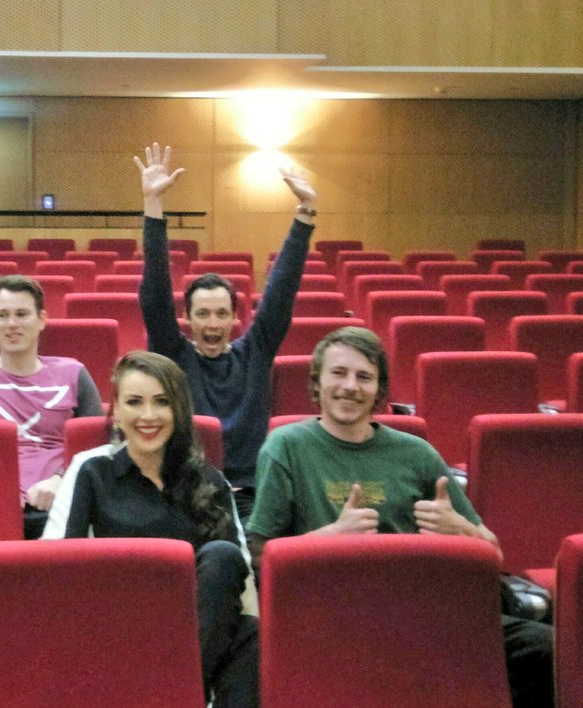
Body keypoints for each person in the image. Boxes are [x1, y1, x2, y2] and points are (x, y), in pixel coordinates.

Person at [247, 326, 553, 707]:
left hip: (425, 611)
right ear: (317, 382)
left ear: (379, 389)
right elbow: (259, 555)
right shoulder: (285, 447)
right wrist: (327, 539)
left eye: (364, 377)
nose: (350, 386)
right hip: (336, 617)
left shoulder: (417, 453)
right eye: (338, 373)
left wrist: (461, 531)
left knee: (548, 649)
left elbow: (493, 552)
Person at [63, 350, 258, 708]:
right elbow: (68, 570)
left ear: (178, 411)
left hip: (198, 626)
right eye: (135, 402)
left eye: (162, 402)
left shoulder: (209, 480)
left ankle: (177, 693)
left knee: (234, 588)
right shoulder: (94, 474)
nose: (148, 416)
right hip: (119, 625)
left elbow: (234, 579)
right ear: (117, 411)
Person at [136, 142, 316, 521]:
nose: (213, 323)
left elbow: (282, 290)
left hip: (253, 492)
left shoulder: (255, 351)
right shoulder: (175, 355)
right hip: (190, 489)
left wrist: (305, 214)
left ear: (235, 316)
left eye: (221, 313)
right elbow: (153, 296)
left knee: (266, 566)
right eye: (203, 314)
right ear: (189, 318)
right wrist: (153, 206)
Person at [0, 274, 103, 539]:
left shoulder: (73, 373)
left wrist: (60, 480)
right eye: (2, 315)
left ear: (42, 320)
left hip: (61, 501)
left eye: (22, 314)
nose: (12, 324)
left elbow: (94, 446)